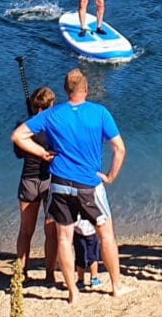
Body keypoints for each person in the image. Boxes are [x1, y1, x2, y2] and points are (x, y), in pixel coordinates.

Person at [12, 68, 133, 302]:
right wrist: (110, 176)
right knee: (106, 235)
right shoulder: (99, 112)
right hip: (88, 183)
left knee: (64, 239)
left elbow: (18, 136)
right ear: (86, 89)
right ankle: (117, 286)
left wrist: (41, 152)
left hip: (59, 184)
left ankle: (72, 292)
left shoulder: (52, 115)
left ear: (66, 90)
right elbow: (119, 148)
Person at [14, 86, 58, 284]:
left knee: (25, 230)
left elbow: (19, 153)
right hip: (49, 181)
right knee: (51, 232)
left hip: (28, 180)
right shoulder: (55, 128)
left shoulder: (23, 127)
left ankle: (22, 274)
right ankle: (49, 274)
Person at [73, 218, 102, 290]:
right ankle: (94, 279)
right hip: (92, 230)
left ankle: (80, 280)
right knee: (93, 255)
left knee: (79, 256)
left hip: (78, 230)